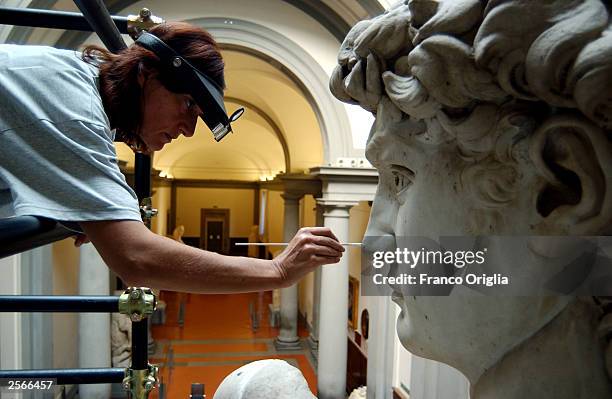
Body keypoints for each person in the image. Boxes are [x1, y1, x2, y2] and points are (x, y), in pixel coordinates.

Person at [0, 21, 344, 293]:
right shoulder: (77, 115)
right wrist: (278, 270)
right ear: (145, 74)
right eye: (189, 105)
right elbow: (137, 259)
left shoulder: (77, 81)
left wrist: (88, 212)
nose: (190, 130)